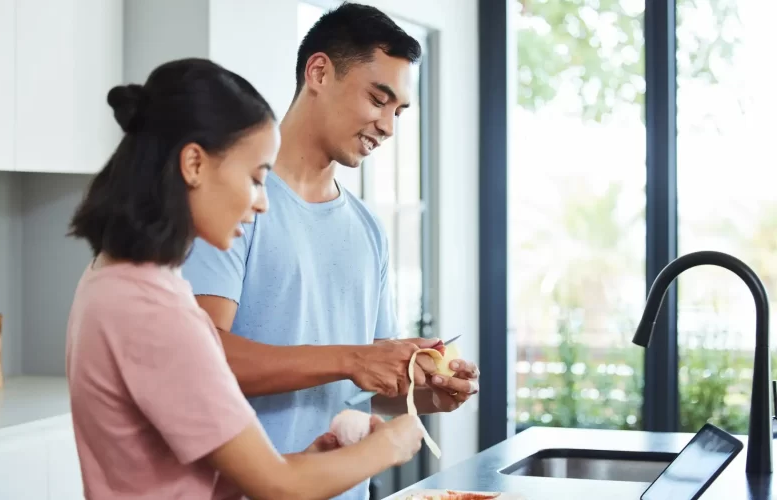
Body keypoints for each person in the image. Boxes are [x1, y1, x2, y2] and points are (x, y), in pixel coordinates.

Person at [64, 57, 424, 500]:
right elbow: (278, 486)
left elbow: (171, 478)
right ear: (194, 164)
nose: (262, 204)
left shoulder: (116, 283)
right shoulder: (153, 310)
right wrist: (392, 443)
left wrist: (312, 461)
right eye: (255, 179)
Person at [182, 4, 481, 498]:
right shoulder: (232, 203)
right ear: (318, 72)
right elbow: (201, 358)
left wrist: (428, 393)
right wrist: (352, 358)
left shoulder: (368, 230)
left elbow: (365, 389)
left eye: (399, 112)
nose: (387, 125)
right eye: (378, 98)